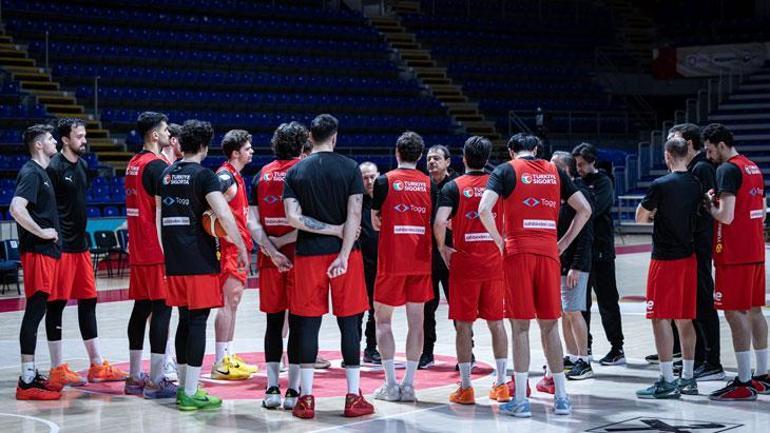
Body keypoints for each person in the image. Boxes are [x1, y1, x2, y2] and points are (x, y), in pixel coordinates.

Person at [479, 133, 591, 417]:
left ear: (511, 151)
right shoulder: (555, 171)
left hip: (518, 252)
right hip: (549, 253)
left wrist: (500, 241)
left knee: (520, 327)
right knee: (550, 326)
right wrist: (563, 244)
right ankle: (562, 398)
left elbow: (483, 209)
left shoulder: (505, 170)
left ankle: (520, 399)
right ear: (537, 149)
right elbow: (585, 209)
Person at [282, 114, 374, 419]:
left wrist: (328, 230)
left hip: (309, 255)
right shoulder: (350, 167)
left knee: (308, 324)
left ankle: (306, 398)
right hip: (346, 257)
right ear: (334, 136)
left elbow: (293, 218)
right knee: (350, 324)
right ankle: (353, 397)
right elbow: (355, 215)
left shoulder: (296, 171)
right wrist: (344, 253)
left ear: (310, 136)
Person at [158, 119, 248, 411]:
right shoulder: (204, 175)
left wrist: (167, 252)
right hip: (199, 259)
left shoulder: (167, 174)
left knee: (184, 320)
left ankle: (184, 387)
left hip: (174, 260)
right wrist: (241, 246)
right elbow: (223, 214)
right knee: (197, 322)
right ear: (204, 146)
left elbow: (160, 217)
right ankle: (190, 392)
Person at [44, 118, 128, 389]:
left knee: (89, 301)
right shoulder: (53, 168)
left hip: (81, 246)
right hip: (61, 248)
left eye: (84, 135)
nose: (84, 140)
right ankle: (57, 368)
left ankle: (96, 364)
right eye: (79, 136)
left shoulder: (81, 165)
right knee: (56, 305)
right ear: (65, 140)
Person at [434, 136, 508, 405]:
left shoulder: (453, 187)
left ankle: (466, 388)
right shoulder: (498, 184)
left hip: (464, 264)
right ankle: (501, 384)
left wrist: (442, 248)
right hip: (494, 262)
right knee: (497, 324)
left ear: (463, 158)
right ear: (487, 159)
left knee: (464, 326)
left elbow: (439, 221)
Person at [703, 123, 768, 401]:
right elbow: (762, 211)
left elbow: (726, 216)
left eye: (710, 150)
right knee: (754, 311)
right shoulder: (753, 167)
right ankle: (762, 375)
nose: (709, 156)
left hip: (734, 255)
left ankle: (743, 381)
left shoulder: (727, 170)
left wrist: (709, 205)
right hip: (755, 251)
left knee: (734, 313)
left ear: (721, 145)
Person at [635, 137, 702, 399]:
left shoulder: (661, 184)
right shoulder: (696, 183)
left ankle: (667, 380)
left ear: (667, 155)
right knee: (685, 318)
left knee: (659, 317)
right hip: (689, 257)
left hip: (664, 259)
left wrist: (655, 213)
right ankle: (688, 377)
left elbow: (640, 218)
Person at [371, 131, 433, 402]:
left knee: (383, 320)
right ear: (420, 156)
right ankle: (408, 385)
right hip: (420, 261)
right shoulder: (430, 183)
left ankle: (390, 385)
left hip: (392, 260)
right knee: (416, 323)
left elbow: (375, 222)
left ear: (397, 152)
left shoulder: (383, 181)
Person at [248, 122, 304, 409]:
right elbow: (307, 221)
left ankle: (271, 390)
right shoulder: (304, 172)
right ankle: (293, 391)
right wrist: (283, 244)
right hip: (299, 257)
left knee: (273, 323)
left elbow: (252, 222)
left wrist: (271, 249)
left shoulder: (261, 175)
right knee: (298, 323)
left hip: (270, 260)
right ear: (301, 145)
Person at [123, 112, 177, 398]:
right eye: (166, 130)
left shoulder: (133, 163)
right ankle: (157, 380)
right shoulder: (157, 166)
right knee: (162, 310)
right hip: (157, 250)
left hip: (138, 250)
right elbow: (164, 211)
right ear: (155, 135)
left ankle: (134, 377)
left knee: (141, 309)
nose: (170, 134)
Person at [11, 124, 62, 400]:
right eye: (51, 138)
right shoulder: (31, 172)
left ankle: (30, 375)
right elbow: (16, 208)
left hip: (45, 253)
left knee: (38, 310)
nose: (55, 141)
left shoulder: (42, 173)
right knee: (34, 311)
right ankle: (27, 380)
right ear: (39, 144)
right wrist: (42, 232)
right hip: (37, 252)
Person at [572, 142, 625, 365]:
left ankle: (617, 348)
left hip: (602, 250)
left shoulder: (604, 182)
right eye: (576, 164)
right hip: (583, 252)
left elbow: (592, 210)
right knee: (581, 302)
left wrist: (578, 208)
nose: (579, 169)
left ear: (592, 161)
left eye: (582, 164)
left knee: (607, 301)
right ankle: (585, 346)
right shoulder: (576, 183)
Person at [211, 130, 257, 380]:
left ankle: (228, 355)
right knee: (227, 303)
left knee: (234, 302)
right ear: (236, 152)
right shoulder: (224, 177)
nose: (252, 152)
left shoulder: (235, 176)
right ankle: (220, 361)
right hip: (229, 249)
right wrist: (227, 239)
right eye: (248, 148)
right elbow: (209, 209)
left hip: (239, 247)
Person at [551, 151, 594, 382]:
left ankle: (584, 361)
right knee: (565, 312)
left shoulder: (580, 193)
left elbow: (586, 235)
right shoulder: (558, 193)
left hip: (575, 265)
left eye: (554, 166)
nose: (549, 169)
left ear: (565, 169)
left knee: (574, 310)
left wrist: (577, 266)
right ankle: (572, 356)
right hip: (560, 262)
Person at [421, 144, 459, 369]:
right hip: (427, 256)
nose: (432, 162)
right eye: (428, 159)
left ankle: (467, 353)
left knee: (458, 306)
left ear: (448, 161)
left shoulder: (457, 185)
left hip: (452, 254)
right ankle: (427, 352)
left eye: (436, 158)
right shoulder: (423, 185)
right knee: (427, 307)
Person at [359, 161, 382, 364]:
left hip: (381, 264)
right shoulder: (354, 202)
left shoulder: (386, 200)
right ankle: (352, 348)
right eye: (365, 178)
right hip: (359, 264)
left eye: (372, 177)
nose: (369, 181)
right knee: (356, 310)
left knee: (377, 310)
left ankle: (371, 348)